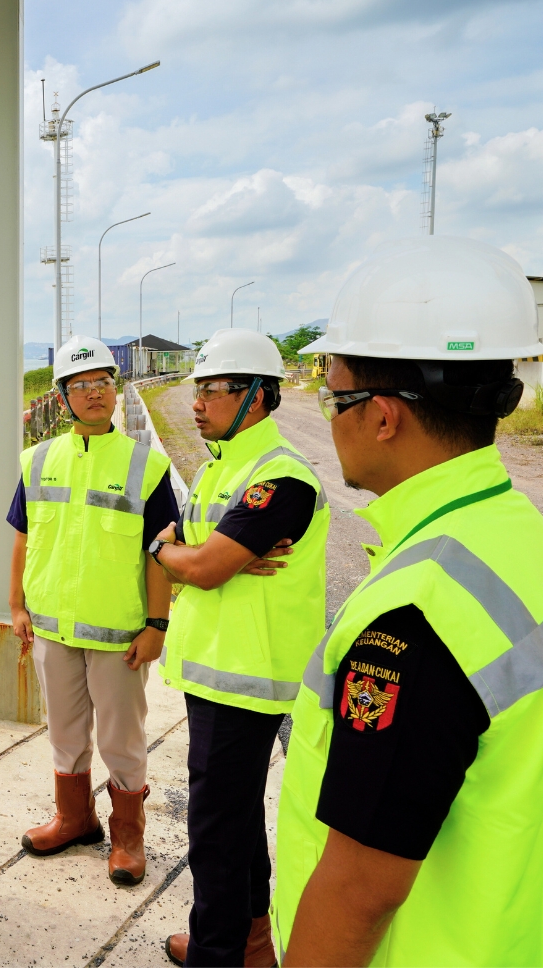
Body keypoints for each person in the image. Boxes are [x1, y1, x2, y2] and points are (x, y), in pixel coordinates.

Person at [273, 236, 543, 965]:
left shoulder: (418, 614)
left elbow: (361, 887)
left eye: (335, 397)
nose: (330, 418)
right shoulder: (521, 536)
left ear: (383, 416)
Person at [148, 328, 328, 967]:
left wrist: (169, 552)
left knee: (216, 833)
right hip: (217, 669)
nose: (197, 404)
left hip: (246, 673)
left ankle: (216, 954)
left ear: (256, 395)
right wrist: (190, 553)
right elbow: (199, 555)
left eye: (211, 391)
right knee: (236, 820)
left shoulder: (278, 478)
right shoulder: (223, 465)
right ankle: (252, 945)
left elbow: (199, 566)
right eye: (195, 391)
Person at [8, 335, 179, 885]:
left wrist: (157, 624)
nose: (94, 393)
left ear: (115, 387)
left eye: (102, 382)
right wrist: (18, 606)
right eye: (80, 386)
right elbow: (22, 537)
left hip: (120, 635)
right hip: (53, 629)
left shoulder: (145, 466)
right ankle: (74, 818)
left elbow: (162, 552)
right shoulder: (37, 460)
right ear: (61, 398)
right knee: (65, 732)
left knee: (120, 741)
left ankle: (128, 836)